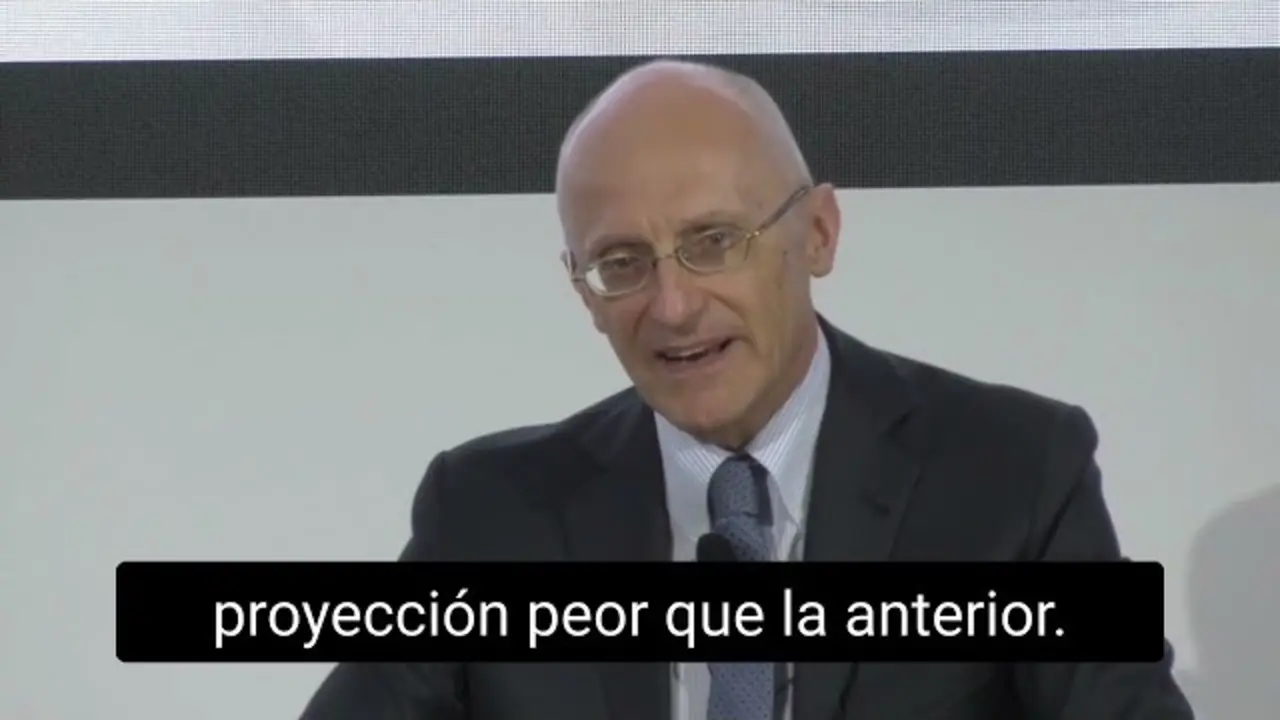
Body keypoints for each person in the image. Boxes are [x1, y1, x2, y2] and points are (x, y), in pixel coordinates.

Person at [301, 59, 1194, 719]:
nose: (674, 306)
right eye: (622, 263)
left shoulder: (1015, 476)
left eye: (714, 242)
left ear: (819, 234)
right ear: (583, 294)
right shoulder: (488, 515)